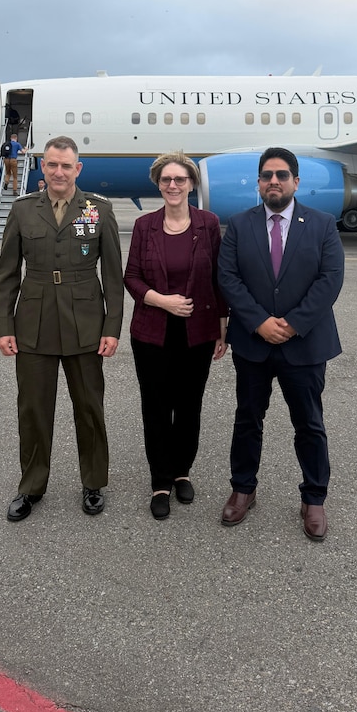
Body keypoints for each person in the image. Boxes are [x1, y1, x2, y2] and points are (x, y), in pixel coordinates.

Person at [0, 135, 123, 521]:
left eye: (67, 165)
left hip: (85, 324)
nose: (59, 172)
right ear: (43, 167)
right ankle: (31, 486)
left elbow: (113, 277)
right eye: (52, 164)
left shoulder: (98, 210)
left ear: (78, 169)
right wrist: (3, 326)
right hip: (33, 323)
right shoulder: (23, 210)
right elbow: (6, 274)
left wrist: (112, 328)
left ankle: (94, 483)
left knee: (89, 408)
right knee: (33, 410)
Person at [217, 147, 345, 541]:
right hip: (253, 344)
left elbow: (330, 280)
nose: (274, 181)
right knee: (247, 419)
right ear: (258, 182)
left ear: (296, 182)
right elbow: (228, 278)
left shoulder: (322, 224)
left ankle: (314, 497)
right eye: (267, 175)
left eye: (282, 174)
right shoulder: (239, 225)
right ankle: (243, 488)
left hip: (304, 345)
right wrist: (259, 322)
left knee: (308, 423)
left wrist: (290, 324)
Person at [124, 151, 227, 519]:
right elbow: (131, 277)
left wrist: (222, 325)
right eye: (166, 179)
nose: (172, 185)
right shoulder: (144, 225)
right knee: (156, 407)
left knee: (188, 406)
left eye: (180, 179)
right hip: (152, 333)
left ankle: (182, 471)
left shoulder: (208, 223)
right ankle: (160, 481)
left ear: (191, 184)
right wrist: (162, 301)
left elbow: (218, 278)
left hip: (197, 332)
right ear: (158, 184)